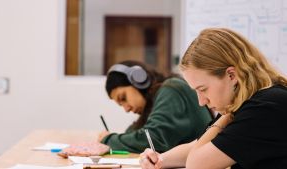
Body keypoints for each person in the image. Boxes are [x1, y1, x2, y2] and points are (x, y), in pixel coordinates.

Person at [140, 27, 287, 169]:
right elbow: (199, 146)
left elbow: (197, 163)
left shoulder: (266, 106)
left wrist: (227, 116)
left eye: (203, 89)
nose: (201, 101)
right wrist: (160, 159)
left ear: (232, 75)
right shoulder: (251, 101)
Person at [98, 60, 212, 153]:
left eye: (123, 98)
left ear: (139, 79)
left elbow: (153, 139)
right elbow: (133, 134)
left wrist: (108, 139)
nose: (126, 109)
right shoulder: (156, 101)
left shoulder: (171, 89)